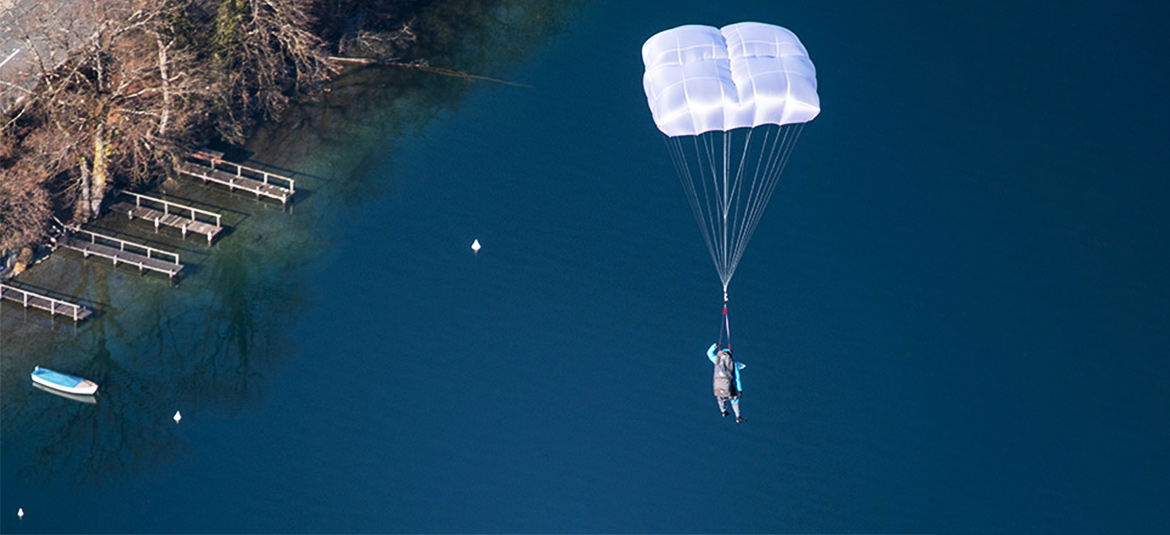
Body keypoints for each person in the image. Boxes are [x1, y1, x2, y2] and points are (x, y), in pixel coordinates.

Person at [707, 343, 745, 423]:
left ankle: (723, 411)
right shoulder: (733, 364)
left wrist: (715, 346)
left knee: (719, 396)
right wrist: (740, 390)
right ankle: (738, 417)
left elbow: (709, 353)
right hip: (728, 386)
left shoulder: (717, 360)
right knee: (734, 398)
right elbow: (737, 378)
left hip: (717, 386)